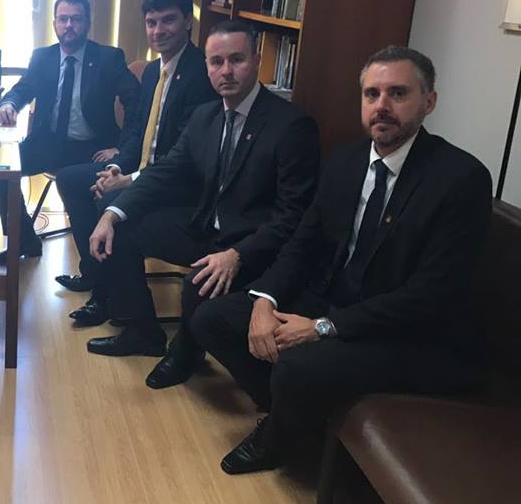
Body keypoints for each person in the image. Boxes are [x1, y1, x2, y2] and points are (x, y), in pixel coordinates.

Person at [187, 46, 492, 476]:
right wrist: (264, 300)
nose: (381, 106)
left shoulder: (461, 179)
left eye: (398, 93)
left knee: (295, 365)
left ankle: (279, 437)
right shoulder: (346, 161)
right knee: (212, 318)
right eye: (371, 94)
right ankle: (301, 417)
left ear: (429, 102)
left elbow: (430, 296)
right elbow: (302, 242)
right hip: (336, 299)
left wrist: (323, 328)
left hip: (408, 332)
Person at [85, 20, 320, 358]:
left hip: (251, 244)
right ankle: (142, 331)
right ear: (207, 67)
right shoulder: (204, 116)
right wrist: (111, 213)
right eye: (216, 62)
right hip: (206, 226)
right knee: (120, 228)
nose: (226, 71)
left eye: (236, 60)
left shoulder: (291, 126)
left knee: (197, 281)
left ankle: (186, 356)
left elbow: (292, 216)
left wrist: (238, 254)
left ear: (256, 61)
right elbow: (165, 170)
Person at [54, 0, 218, 328]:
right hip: (142, 170)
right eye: (151, 22)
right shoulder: (153, 73)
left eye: (168, 20)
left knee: (108, 200)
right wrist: (116, 167)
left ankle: (111, 303)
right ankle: (97, 276)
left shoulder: (202, 75)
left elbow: (185, 157)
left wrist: (130, 181)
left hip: (179, 185)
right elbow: (136, 133)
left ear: (188, 22)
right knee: (71, 179)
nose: (158, 30)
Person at [0, 0, 140, 264]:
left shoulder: (108, 58)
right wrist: (9, 103)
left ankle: (94, 268)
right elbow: (23, 88)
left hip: (93, 148)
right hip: (49, 143)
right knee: (0, 169)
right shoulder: (43, 57)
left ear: (87, 23)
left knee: (77, 184)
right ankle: (25, 240)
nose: (69, 25)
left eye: (76, 19)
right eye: (63, 19)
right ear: (55, 24)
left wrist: (120, 147)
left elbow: (136, 102)